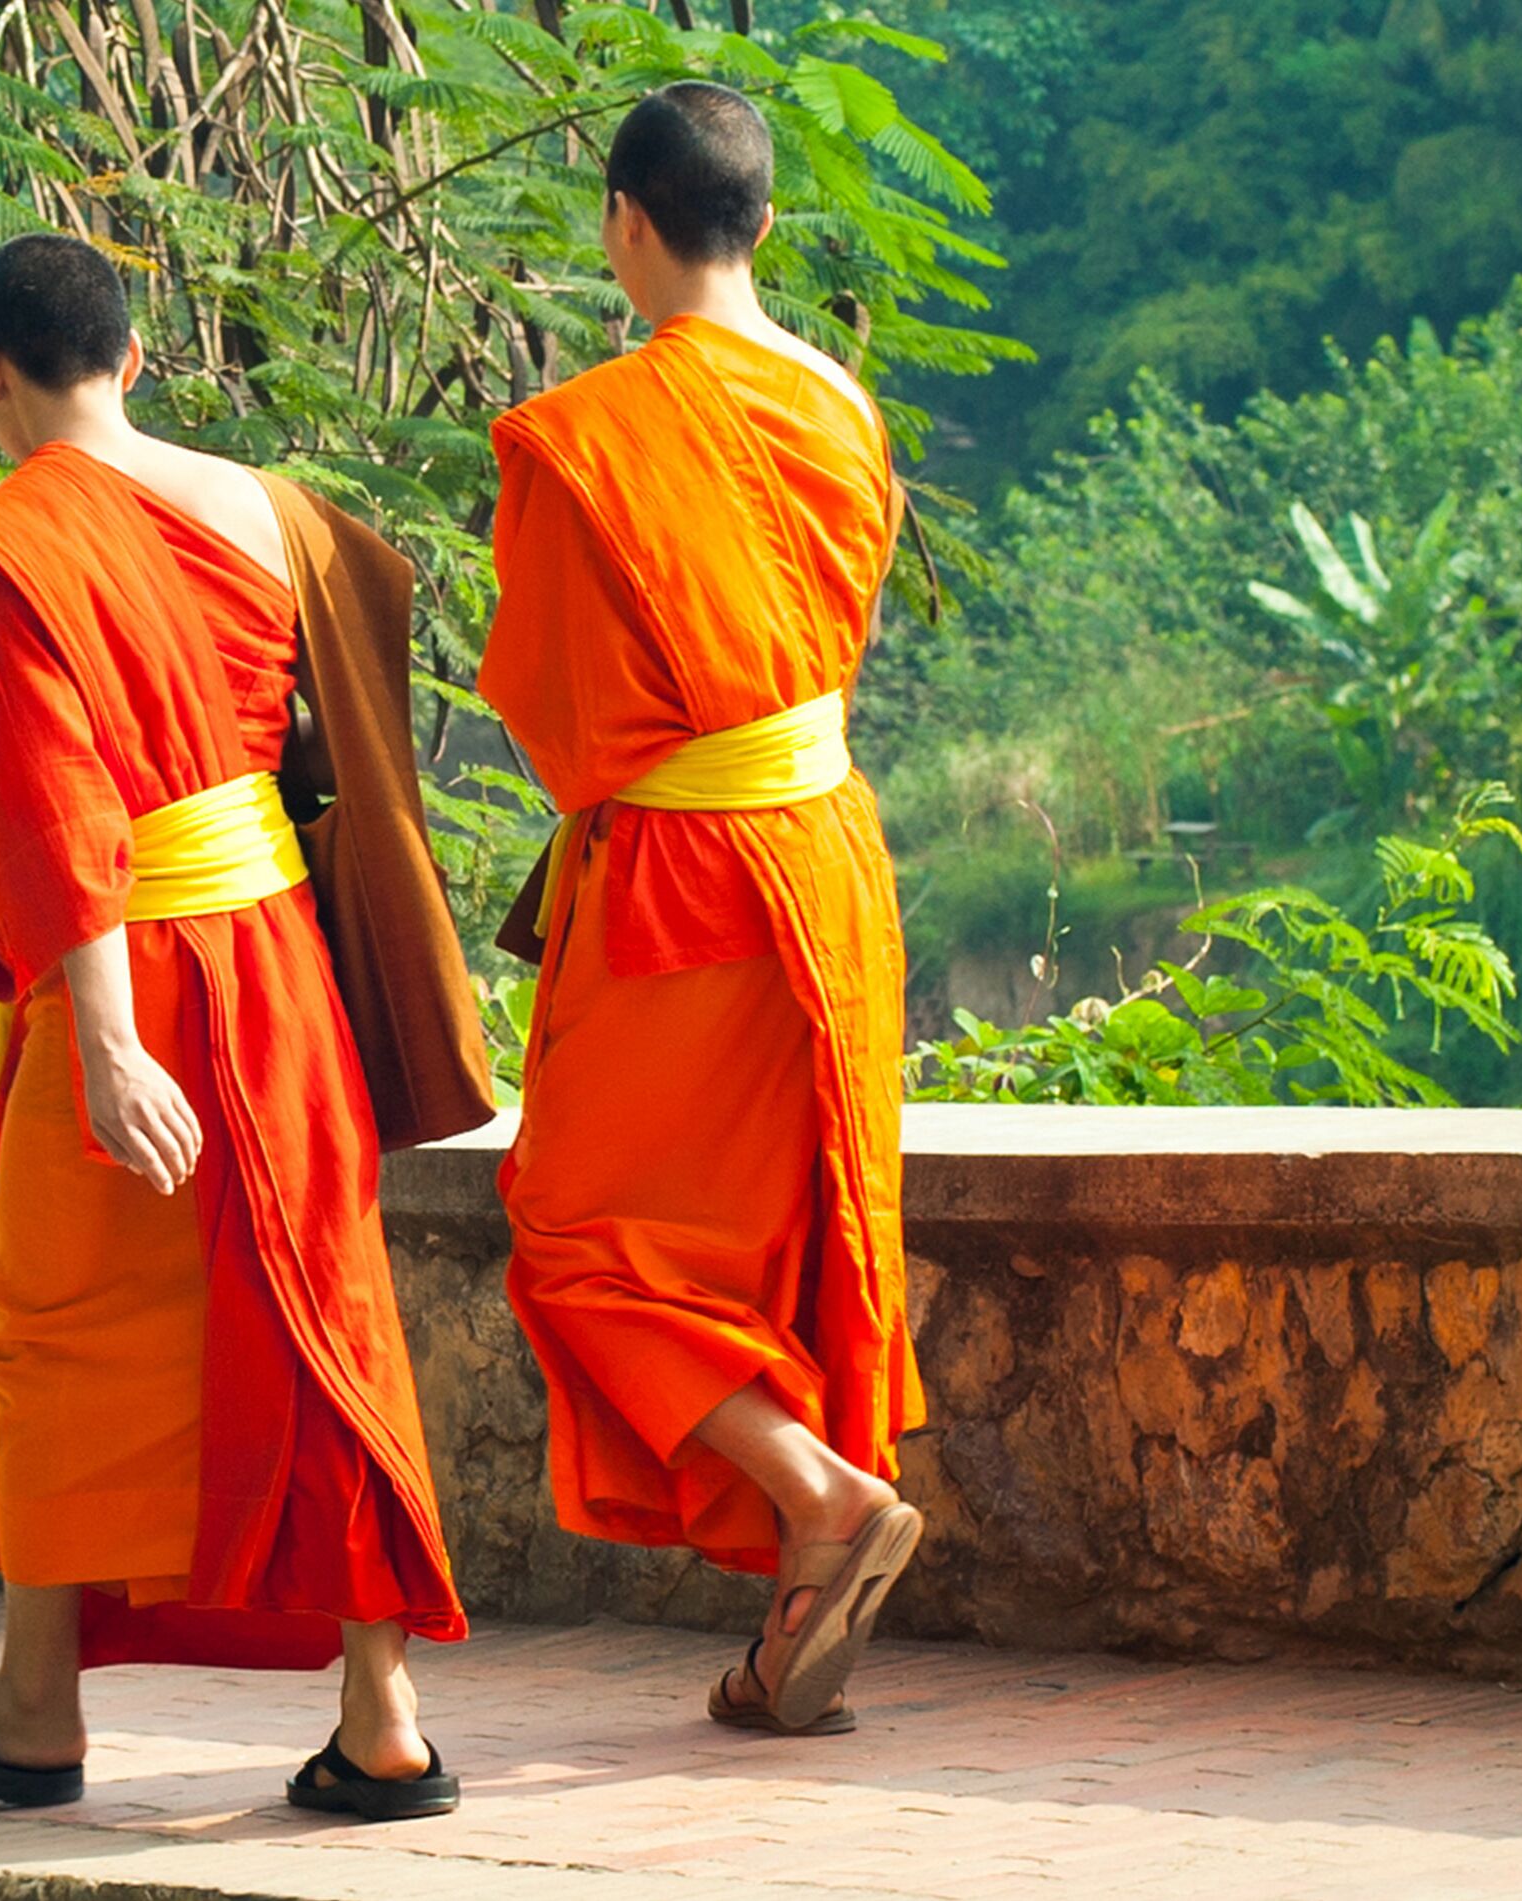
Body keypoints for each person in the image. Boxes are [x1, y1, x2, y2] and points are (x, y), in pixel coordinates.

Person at [0, 231, 467, 1824]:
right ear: (130, 360)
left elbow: (57, 814)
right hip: (276, 960)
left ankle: (34, 1707)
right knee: (319, 1312)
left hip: (121, 985)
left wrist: (114, 1043)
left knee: (54, 1334)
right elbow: (362, 659)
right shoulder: (270, 510)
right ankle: (381, 1716)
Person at [475, 81, 934, 1737]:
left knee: (575, 1235)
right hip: (826, 856)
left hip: (681, 873)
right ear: (763, 222)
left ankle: (819, 1494)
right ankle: (795, 1598)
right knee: (788, 1226)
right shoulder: (840, 403)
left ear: (623, 222)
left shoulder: (586, 434)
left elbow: (553, 717)